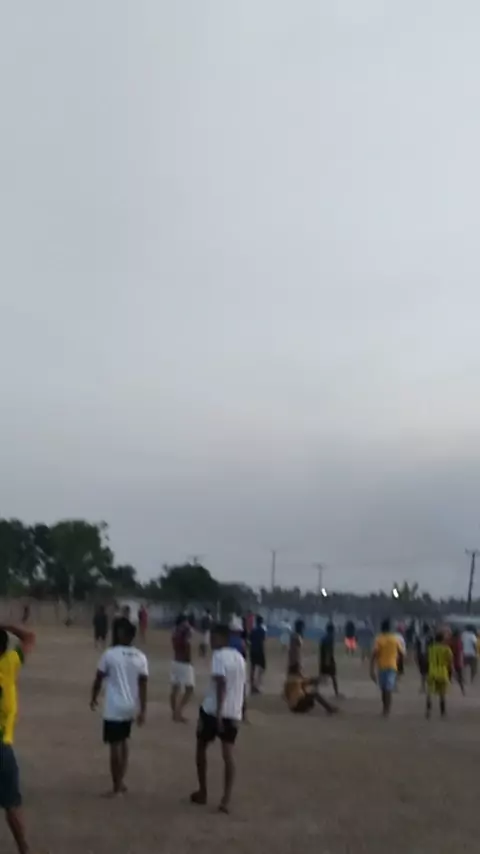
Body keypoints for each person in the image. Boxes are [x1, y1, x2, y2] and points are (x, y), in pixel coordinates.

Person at [190, 623, 246, 814]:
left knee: (201, 748)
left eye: (213, 637)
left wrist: (220, 712)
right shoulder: (240, 658)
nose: (211, 641)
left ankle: (203, 791)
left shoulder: (219, 656)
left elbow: (221, 684)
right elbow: (241, 686)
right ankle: (226, 799)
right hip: (233, 712)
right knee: (228, 754)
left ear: (223, 638)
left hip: (213, 711)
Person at [90, 617, 148, 796]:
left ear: (121, 634)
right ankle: (121, 781)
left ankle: (116, 787)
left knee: (114, 745)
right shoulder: (140, 656)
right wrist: (143, 710)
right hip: (130, 706)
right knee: (123, 741)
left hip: (114, 707)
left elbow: (99, 678)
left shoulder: (110, 654)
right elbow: (143, 685)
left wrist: (93, 697)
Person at [0, 623, 35, 854]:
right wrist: (4, 624)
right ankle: (24, 849)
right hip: (2, 747)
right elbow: (29, 637)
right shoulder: (9, 663)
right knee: (12, 804)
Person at [370, 618, 402, 716]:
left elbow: (374, 654)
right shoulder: (395, 639)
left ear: (381, 628)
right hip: (392, 666)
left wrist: (371, 669)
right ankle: (387, 709)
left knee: (384, 689)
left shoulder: (379, 639)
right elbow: (401, 653)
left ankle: (385, 708)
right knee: (388, 689)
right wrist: (400, 666)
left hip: (382, 666)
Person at [170, 613, 195, 722]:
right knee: (189, 689)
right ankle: (178, 712)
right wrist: (189, 659)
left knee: (175, 689)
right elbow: (187, 644)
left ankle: (174, 712)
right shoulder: (186, 629)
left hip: (175, 660)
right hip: (184, 662)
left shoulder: (175, 631)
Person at [426, 631, 453, 719]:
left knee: (429, 692)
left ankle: (428, 710)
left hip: (432, 671)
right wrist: (451, 673)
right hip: (442, 671)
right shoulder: (446, 649)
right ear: (443, 639)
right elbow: (450, 661)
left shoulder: (431, 648)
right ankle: (443, 712)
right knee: (442, 694)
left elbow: (428, 659)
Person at [319, 622, 339, 698]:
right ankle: (336, 693)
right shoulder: (330, 638)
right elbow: (328, 650)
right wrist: (328, 661)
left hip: (323, 660)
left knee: (322, 676)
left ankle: (315, 690)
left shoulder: (324, 638)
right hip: (328, 660)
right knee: (333, 677)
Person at [249, 615, 267, 694]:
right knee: (261, 668)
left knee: (252, 668)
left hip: (253, 650)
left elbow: (250, 640)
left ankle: (252, 686)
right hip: (260, 650)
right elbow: (263, 640)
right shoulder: (262, 630)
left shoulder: (253, 630)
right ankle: (258, 685)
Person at [415, 623, 432, 693]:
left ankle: (423, 687)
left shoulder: (420, 638)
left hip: (422, 656)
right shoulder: (430, 638)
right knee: (427, 673)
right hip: (428, 656)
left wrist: (416, 657)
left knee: (423, 673)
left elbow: (417, 649)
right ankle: (427, 687)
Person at [449, 628, 464, 694]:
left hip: (452, 660)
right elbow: (460, 652)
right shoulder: (459, 641)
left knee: (449, 676)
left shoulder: (451, 640)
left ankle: (448, 690)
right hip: (457, 661)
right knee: (459, 677)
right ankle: (462, 690)